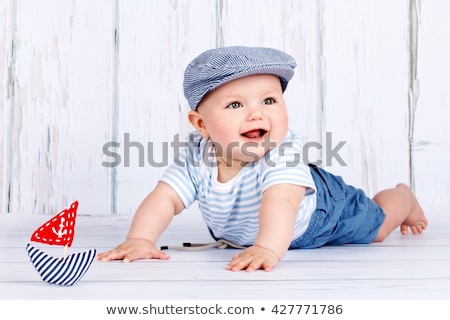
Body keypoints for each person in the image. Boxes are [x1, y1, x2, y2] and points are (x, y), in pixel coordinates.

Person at [98, 46, 428, 272]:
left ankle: (403, 197)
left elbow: (281, 203)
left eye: (269, 100)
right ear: (201, 125)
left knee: (379, 226)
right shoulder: (197, 157)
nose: (257, 112)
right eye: (236, 105)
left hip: (320, 215)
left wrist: (267, 249)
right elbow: (163, 199)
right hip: (256, 236)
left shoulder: (282, 154)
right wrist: (140, 240)